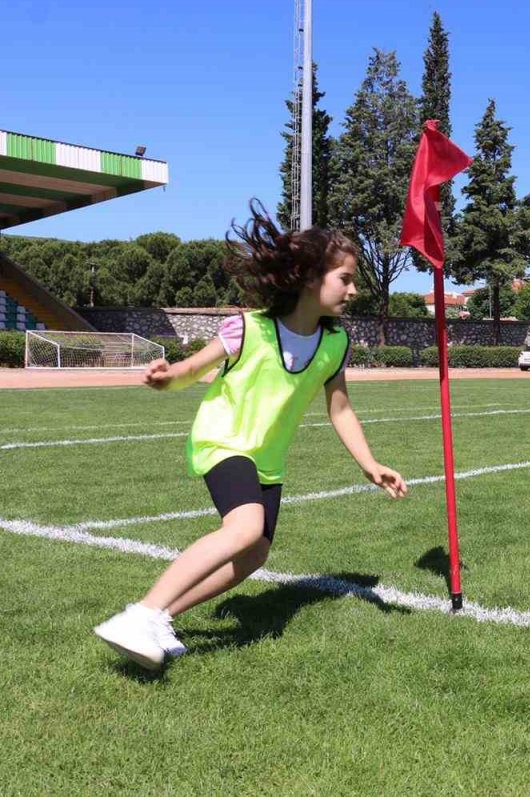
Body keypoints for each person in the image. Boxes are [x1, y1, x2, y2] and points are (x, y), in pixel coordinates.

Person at [93, 202, 408, 672]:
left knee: (255, 553)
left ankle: (160, 618)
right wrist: (167, 376)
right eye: (344, 278)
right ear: (308, 278)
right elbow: (192, 369)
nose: (353, 289)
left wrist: (370, 463)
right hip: (223, 440)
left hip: (268, 458)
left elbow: (339, 407)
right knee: (242, 529)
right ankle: (138, 614)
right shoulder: (249, 328)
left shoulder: (335, 344)